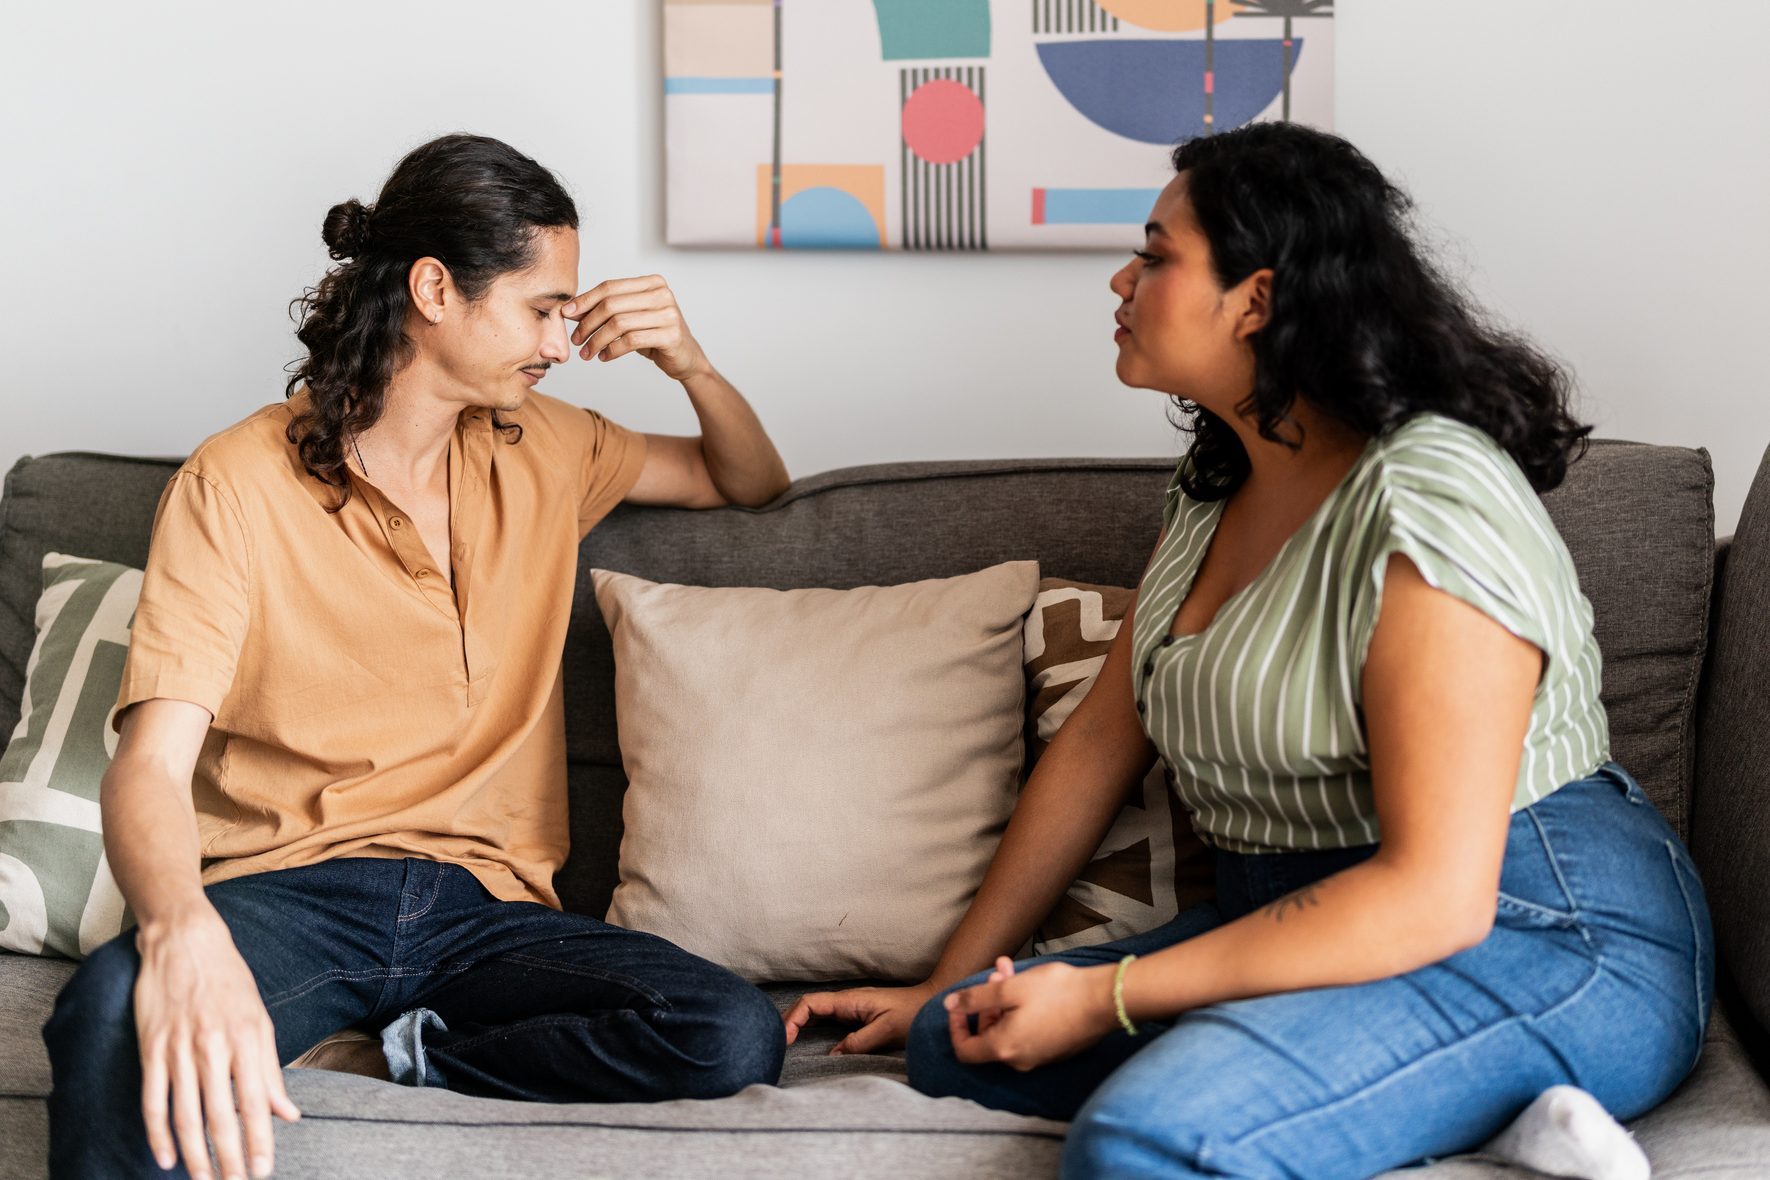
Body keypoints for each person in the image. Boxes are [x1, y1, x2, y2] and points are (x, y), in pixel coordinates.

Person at [785, 122, 1713, 1179]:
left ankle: (1464, 1085)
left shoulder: (1431, 498)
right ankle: (1475, 1115)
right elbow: (1097, 745)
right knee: (961, 1040)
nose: (1121, 281)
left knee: (1148, 1143)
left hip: (1531, 926)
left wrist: (1100, 992)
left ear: (1258, 300)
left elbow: (1432, 895)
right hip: (1299, 924)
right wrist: (942, 982)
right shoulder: (1218, 483)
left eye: (1155, 254)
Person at [42, 133, 793, 1180]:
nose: (562, 343)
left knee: (728, 1027)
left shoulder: (548, 448)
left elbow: (747, 480)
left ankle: (415, 1055)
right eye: (543, 309)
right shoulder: (237, 482)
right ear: (437, 288)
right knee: (112, 1009)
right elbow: (152, 763)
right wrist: (178, 932)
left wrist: (692, 362)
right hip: (297, 890)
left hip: (486, 914)